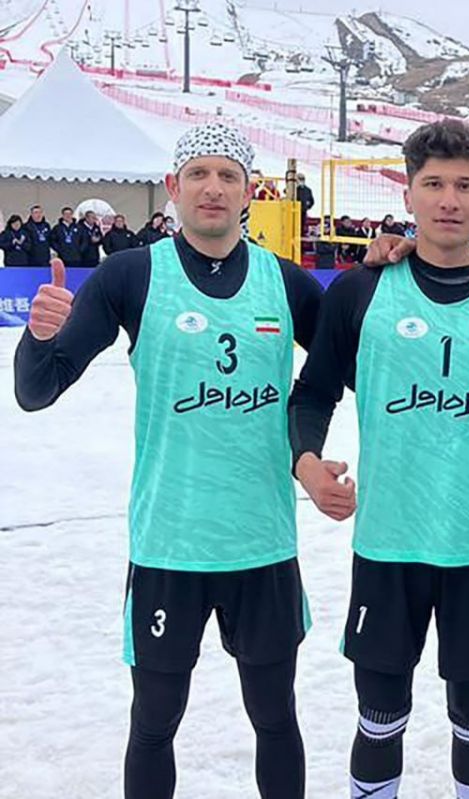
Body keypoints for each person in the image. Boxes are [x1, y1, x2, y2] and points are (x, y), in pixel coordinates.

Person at [13, 122, 323, 799]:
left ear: (249, 191)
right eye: (198, 174)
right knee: (154, 725)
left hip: (262, 544)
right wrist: (37, 338)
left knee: (276, 719)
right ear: (172, 187)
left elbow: (360, 366)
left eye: (228, 175)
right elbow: (38, 391)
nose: (213, 187)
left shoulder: (287, 283)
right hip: (168, 545)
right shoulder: (132, 274)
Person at [291, 119, 469, 799]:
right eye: (433, 184)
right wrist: (308, 465)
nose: (449, 200)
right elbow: (312, 393)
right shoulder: (362, 290)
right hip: (389, 541)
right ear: (408, 195)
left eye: (465, 185)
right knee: (379, 716)